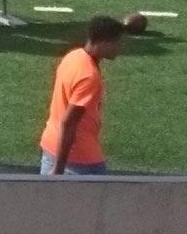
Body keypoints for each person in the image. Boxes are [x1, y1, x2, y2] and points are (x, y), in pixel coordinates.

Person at [42, 16, 126, 175]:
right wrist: (59, 169)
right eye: (118, 43)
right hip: (78, 159)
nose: (120, 48)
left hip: (51, 145)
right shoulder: (89, 77)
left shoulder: (73, 56)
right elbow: (69, 122)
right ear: (104, 44)